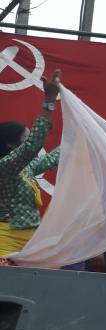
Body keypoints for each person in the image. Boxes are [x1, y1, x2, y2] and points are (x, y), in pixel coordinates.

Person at [0, 70, 61, 258]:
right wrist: (50, 101)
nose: (30, 142)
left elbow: (52, 158)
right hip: (5, 241)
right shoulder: (4, 167)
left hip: (31, 242)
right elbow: (33, 145)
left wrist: (76, 138)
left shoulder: (26, 168)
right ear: (11, 145)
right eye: (25, 138)